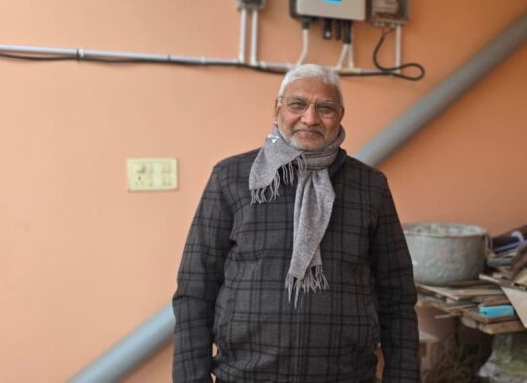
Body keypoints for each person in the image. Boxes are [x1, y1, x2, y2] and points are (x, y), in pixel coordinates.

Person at [173, 64, 420, 383]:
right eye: (297, 104)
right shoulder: (231, 178)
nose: (310, 118)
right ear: (277, 109)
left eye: (325, 108)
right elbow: (195, 288)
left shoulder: (370, 187)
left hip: (346, 376)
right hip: (246, 375)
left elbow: (397, 296)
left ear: (340, 116)